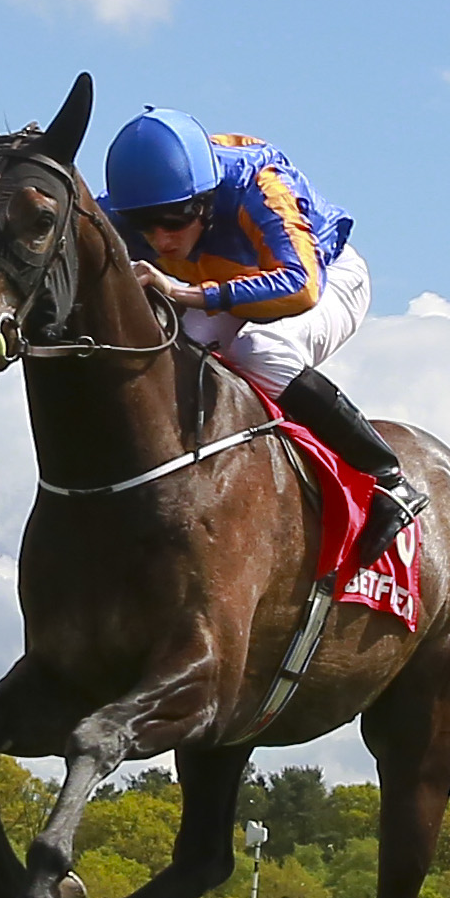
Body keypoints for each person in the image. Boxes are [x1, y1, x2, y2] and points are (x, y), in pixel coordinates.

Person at [99, 106, 425, 576]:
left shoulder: (261, 187)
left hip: (324, 278)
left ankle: (388, 479)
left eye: (173, 222)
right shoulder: (128, 207)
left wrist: (186, 292)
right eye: (143, 225)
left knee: (257, 351)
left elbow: (300, 286)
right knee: (174, 350)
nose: (160, 240)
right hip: (227, 286)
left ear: (205, 202)